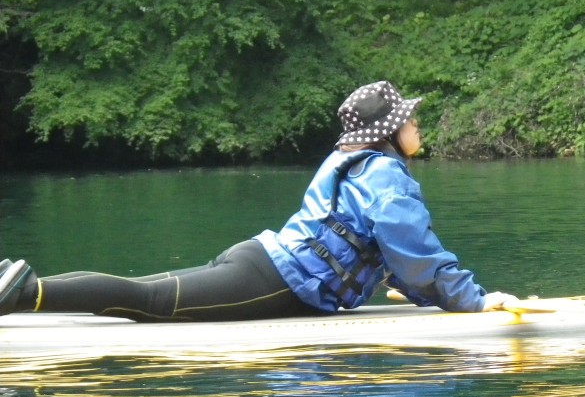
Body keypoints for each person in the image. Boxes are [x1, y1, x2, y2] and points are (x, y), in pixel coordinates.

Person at [0, 81, 516, 322]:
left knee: (148, 290)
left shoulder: (347, 160)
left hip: (260, 262)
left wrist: (417, 290)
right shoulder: (386, 176)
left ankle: (22, 289)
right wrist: (470, 298)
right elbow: (414, 249)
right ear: (388, 130)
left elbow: (375, 248)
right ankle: (24, 293)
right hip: (274, 282)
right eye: (409, 118)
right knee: (150, 302)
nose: (416, 124)